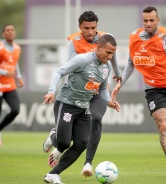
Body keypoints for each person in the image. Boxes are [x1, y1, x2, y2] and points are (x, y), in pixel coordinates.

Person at [111, 6, 166, 178]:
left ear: (158, 20)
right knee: (163, 126)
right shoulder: (134, 38)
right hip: (153, 89)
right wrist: (120, 84)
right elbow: (131, 63)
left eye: (152, 20)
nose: (148, 23)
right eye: (145, 20)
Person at [47, 10, 122, 177]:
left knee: (95, 119)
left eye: (93, 28)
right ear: (80, 27)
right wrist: (52, 90)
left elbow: (111, 59)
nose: (90, 32)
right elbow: (70, 69)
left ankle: (88, 162)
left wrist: (117, 74)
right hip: (77, 92)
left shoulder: (105, 41)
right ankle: (57, 139)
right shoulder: (74, 44)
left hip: (97, 92)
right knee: (66, 140)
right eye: (86, 28)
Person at [0, 24, 24, 150]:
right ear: (3, 34)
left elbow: (14, 62)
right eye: (7, 30)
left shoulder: (17, 48)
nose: (10, 32)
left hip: (9, 84)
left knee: (16, 110)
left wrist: (18, 77)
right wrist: (5, 73)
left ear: (15, 33)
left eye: (12, 30)